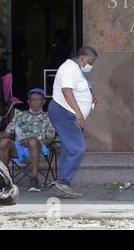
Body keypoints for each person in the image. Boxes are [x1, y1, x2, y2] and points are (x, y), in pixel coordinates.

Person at [48, 46, 98, 198]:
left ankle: (62, 185)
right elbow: (66, 91)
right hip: (65, 113)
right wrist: (78, 112)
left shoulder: (76, 70)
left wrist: (90, 100)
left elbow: (77, 90)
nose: (91, 65)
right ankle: (63, 183)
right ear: (82, 58)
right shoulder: (69, 67)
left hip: (67, 113)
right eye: (90, 62)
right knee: (78, 147)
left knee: (70, 148)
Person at [0, 88, 55, 192]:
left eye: (38, 100)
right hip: (19, 148)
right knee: (4, 142)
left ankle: (34, 180)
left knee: (32, 141)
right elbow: (7, 133)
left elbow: (50, 139)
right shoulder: (20, 115)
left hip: (38, 149)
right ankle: (4, 180)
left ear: (43, 102)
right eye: (33, 100)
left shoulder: (48, 117)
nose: (35, 102)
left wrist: (33, 141)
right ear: (29, 101)